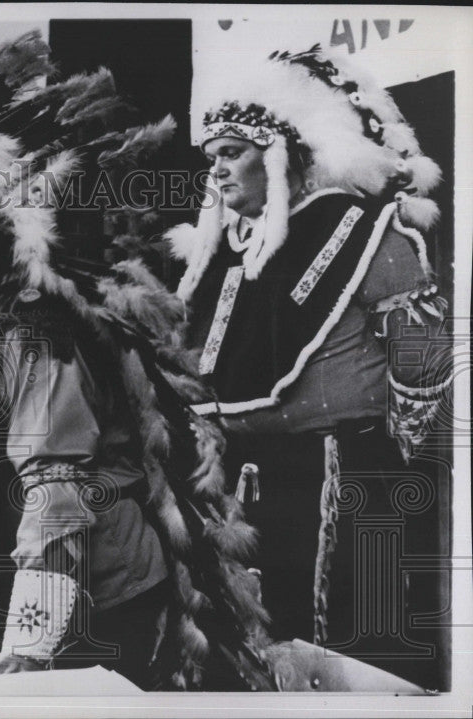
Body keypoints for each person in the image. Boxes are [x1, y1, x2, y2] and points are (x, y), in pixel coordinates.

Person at [0, 32, 272, 690]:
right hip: (46, 592)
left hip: (102, 608)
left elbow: (56, 489)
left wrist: (30, 639)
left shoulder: (29, 329)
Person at [165, 46, 448, 683]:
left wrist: (398, 471)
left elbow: (424, 374)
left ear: (279, 154)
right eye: (210, 157)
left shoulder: (366, 230)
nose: (216, 170)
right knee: (251, 650)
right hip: (240, 488)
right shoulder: (225, 253)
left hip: (344, 481)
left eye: (231, 152)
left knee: (341, 651)